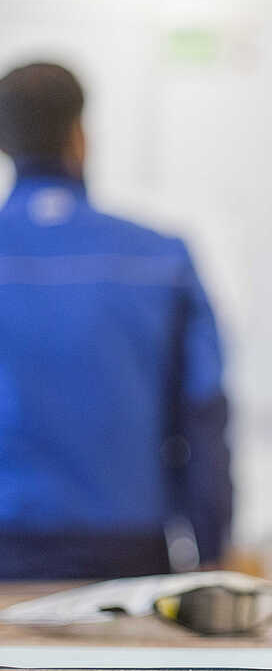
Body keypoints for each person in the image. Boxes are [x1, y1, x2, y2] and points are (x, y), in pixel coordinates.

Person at [0, 62, 233, 578]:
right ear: (79, 137)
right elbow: (204, 412)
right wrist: (214, 549)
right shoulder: (161, 258)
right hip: (126, 556)